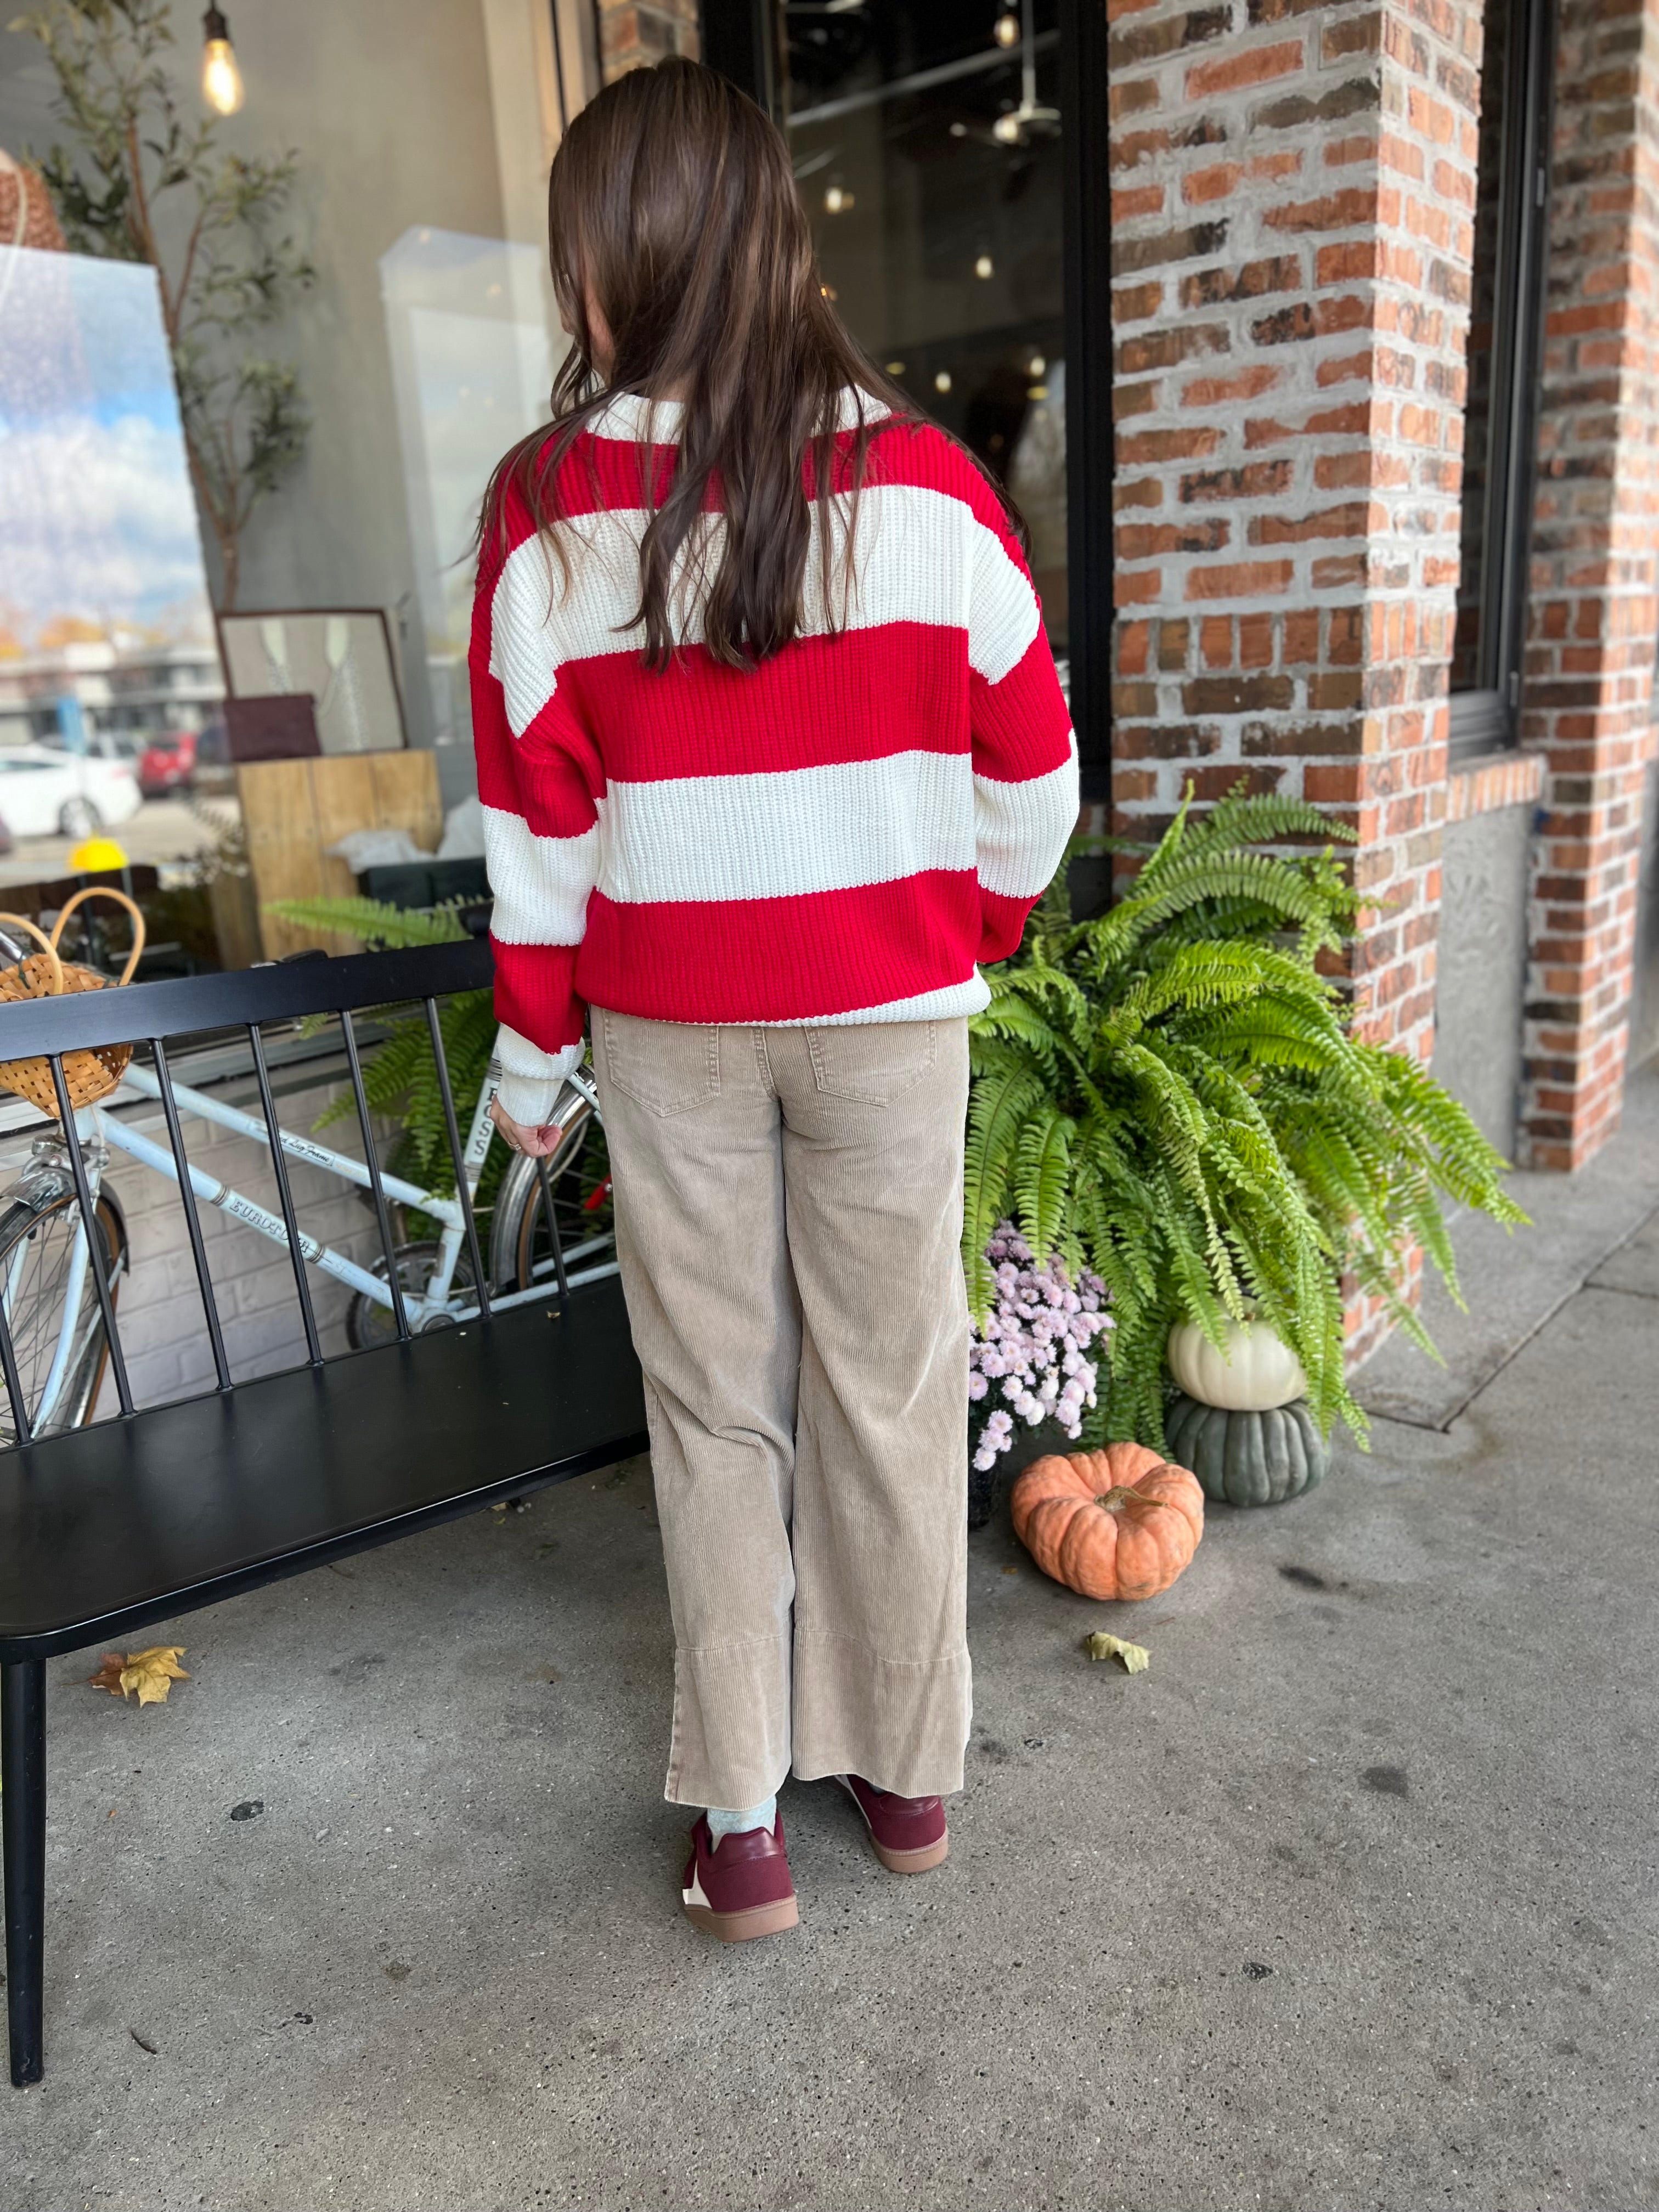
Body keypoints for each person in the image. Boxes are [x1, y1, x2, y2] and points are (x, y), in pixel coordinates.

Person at [471, 57, 1076, 1942]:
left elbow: (537, 832)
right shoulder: (927, 483)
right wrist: (952, 933)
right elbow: (1037, 781)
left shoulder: (549, 510)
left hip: (668, 1028)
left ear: (624, 261)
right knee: (890, 1389)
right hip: (892, 1020)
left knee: (713, 1407)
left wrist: (529, 1048)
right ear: (773, 241)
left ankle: (742, 1821)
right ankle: (905, 1786)